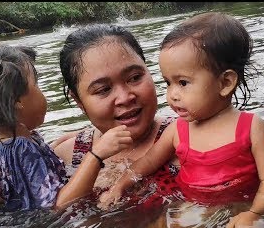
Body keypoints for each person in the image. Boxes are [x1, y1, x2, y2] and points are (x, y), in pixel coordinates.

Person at [100, 12, 264, 228]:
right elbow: (146, 163)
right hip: (192, 207)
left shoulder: (251, 127)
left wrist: (254, 213)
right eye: (168, 82)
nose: (172, 95)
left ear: (225, 82)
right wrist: (119, 185)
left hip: (242, 206)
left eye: (183, 83)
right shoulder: (177, 130)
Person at [0, 43, 132, 212]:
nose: (43, 95)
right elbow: (59, 205)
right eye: (36, 85)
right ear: (16, 101)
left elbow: (34, 172)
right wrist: (96, 155)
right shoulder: (19, 148)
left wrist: (84, 136)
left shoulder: (6, 143)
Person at [52, 23, 181, 209]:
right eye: (103, 89)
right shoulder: (67, 155)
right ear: (79, 101)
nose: (125, 98)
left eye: (135, 77)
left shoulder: (188, 137)